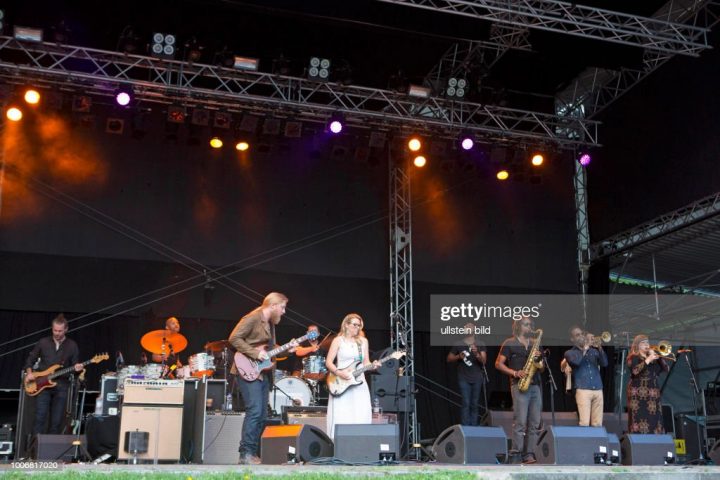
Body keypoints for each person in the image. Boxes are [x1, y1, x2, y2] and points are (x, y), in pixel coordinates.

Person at [228, 292, 290, 465]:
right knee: (254, 411)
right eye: (282, 307)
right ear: (273, 305)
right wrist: (255, 353)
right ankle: (245, 453)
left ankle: (252, 453)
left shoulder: (271, 323)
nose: (284, 312)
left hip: (262, 373)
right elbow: (233, 338)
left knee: (262, 415)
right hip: (247, 370)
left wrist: (288, 348)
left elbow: (269, 350)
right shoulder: (253, 317)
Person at [23, 314, 84, 435]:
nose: (57, 333)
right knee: (40, 417)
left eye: (60, 331)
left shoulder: (72, 345)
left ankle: (51, 452)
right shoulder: (43, 342)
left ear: (66, 329)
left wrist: (78, 368)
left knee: (56, 421)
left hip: (61, 386)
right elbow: (30, 360)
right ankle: (34, 451)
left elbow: (74, 366)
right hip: (42, 385)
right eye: (55, 330)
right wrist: (29, 373)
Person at [495, 316, 544, 464]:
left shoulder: (535, 344)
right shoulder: (509, 343)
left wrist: (539, 360)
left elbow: (541, 369)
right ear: (518, 326)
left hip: (535, 385)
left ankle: (529, 454)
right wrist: (515, 373)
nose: (529, 327)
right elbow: (498, 364)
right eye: (525, 324)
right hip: (519, 384)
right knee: (520, 421)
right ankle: (515, 453)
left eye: (530, 324)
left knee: (535, 422)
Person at [325, 313, 380, 439]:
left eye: (359, 326)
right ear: (346, 324)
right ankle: (337, 444)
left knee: (360, 413)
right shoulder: (338, 340)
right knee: (342, 414)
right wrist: (339, 373)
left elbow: (366, 362)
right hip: (341, 382)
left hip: (359, 382)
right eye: (354, 325)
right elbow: (328, 362)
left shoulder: (363, 342)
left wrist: (373, 365)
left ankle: (359, 444)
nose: (357, 328)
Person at [563, 326, 608, 427]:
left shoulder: (594, 351)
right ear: (572, 339)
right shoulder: (570, 353)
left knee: (597, 424)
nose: (581, 336)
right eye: (577, 335)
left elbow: (605, 363)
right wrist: (585, 348)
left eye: (582, 334)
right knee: (584, 423)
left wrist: (600, 347)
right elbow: (576, 362)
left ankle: (597, 443)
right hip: (583, 390)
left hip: (598, 388)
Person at [627, 334, 669, 434]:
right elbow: (635, 371)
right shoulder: (633, 357)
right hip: (637, 395)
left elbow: (666, 369)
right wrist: (648, 359)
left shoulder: (653, 359)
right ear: (637, 345)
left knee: (654, 419)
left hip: (652, 394)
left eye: (647, 342)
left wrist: (659, 357)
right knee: (638, 418)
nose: (647, 344)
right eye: (644, 342)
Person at [447, 322, 487, 426]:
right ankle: (465, 429)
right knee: (466, 403)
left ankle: (473, 428)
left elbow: (484, 361)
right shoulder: (458, 344)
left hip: (477, 377)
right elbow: (449, 358)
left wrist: (476, 354)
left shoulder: (480, 343)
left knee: (474, 404)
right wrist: (458, 357)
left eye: (470, 327)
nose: (467, 328)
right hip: (463, 377)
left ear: (474, 329)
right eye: (465, 327)